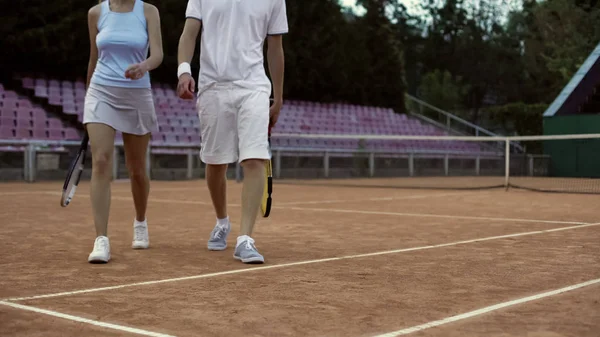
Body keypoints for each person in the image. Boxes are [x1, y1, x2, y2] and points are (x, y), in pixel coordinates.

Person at [176, 0, 287, 264]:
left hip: (254, 87)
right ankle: (222, 221)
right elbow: (189, 32)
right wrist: (183, 71)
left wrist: (278, 96)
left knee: (254, 158)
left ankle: (245, 239)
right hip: (213, 86)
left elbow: (275, 47)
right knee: (216, 163)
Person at [84, 0, 163, 263]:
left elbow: (158, 54)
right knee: (101, 161)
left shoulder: (148, 11)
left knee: (137, 169)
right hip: (101, 91)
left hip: (137, 94)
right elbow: (93, 59)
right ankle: (101, 239)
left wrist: (144, 66)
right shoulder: (96, 13)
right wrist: (88, 100)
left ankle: (140, 221)